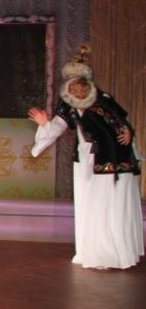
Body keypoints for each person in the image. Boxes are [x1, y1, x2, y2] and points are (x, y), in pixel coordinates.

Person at [28, 44, 143, 270]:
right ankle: (92, 250)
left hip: (110, 160)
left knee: (107, 205)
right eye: (72, 85)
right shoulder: (68, 104)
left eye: (80, 84)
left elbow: (122, 122)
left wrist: (129, 133)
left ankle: (109, 253)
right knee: (89, 205)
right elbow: (58, 127)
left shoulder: (102, 100)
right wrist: (45, 124)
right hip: (85, 160)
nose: (77, 89)